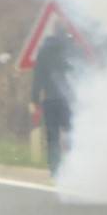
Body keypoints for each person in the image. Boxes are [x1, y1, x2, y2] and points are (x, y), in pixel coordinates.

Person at [30, 23, 77, 176]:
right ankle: (73, 166)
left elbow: (38, 77)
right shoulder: (69, 49)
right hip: (66, 99)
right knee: (70, 132)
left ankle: (54, 168)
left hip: (50, 99)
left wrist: (35, 98)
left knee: (52, 135)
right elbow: (77, 73)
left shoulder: (44, 51)